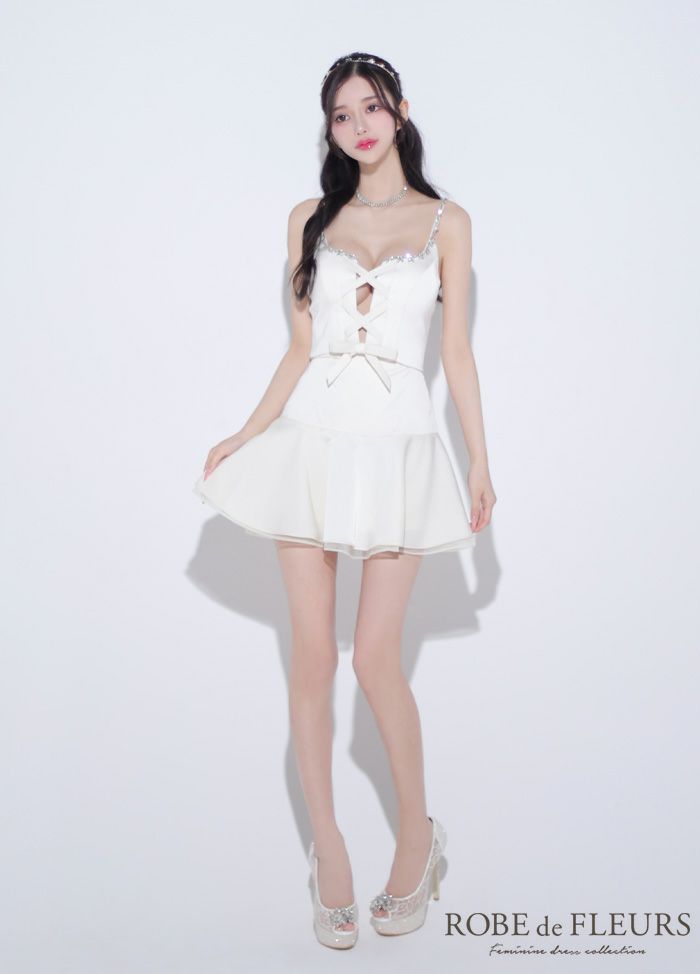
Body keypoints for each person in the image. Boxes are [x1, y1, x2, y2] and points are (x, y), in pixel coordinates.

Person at [192, 51, 496, 948]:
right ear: (329, 128)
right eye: (341, 114)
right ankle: (328, 849)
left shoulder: (446, 222)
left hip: (399, 447)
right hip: (310, 444)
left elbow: (458, 354)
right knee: (313, 659)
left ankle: (418, 837)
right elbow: (300, 349)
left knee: (375, 663)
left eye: (371, 107)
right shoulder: (308, 219)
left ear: (400, 110)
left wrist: (480, 460)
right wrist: (246, 433)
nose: (359, 125)